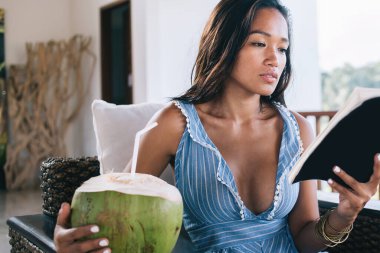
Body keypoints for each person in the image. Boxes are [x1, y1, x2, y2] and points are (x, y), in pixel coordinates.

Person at [54, 0, 380, 252]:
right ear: (224, 44)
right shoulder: (173, 124)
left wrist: (346, 213)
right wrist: (68, 236)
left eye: (282, 48)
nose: (275, 59)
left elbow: (304, 239)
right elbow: (118, 210)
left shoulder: (297, 129)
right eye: (258, 43)